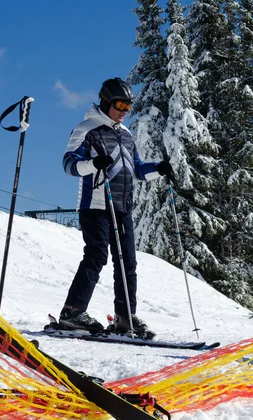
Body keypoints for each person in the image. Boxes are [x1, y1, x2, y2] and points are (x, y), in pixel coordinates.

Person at [59, 77, 174, 336]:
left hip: (122, 207)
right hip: (96, 206)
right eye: (119, 104)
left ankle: (125, 317)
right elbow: (68, 164)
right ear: (105, 101)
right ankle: (72, 312)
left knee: (128, 264)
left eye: (128, 107)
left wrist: (159, 169)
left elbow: (138, 170)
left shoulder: (126, 135)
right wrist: (92, 164)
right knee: (97, 255)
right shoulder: (87, 129)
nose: (123, 111)